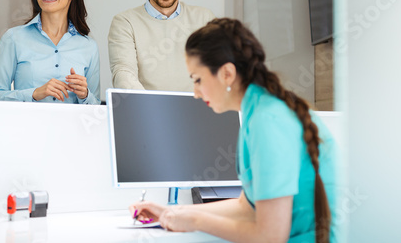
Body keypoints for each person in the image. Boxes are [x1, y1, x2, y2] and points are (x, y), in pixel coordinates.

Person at [130, 18, 339, 243]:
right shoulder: (257, 112)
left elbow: (270, 236)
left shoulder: (267, 121)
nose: (196, 93)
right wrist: (174, 213)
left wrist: (195, 222)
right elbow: (247, 206)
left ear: (227, 74)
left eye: (198, 80)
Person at [0, 0, 100, 104]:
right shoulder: (13, 38)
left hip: (70, 126)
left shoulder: (88, 46)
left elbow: (96, 107)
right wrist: (34, 94)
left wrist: (85, 95)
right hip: (27, 126)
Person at [108, 0, 215, 91]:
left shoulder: (205, 19)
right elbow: (123, 74)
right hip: (147, 112)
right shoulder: (125, 23)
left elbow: (217, 73)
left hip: (196, 111)